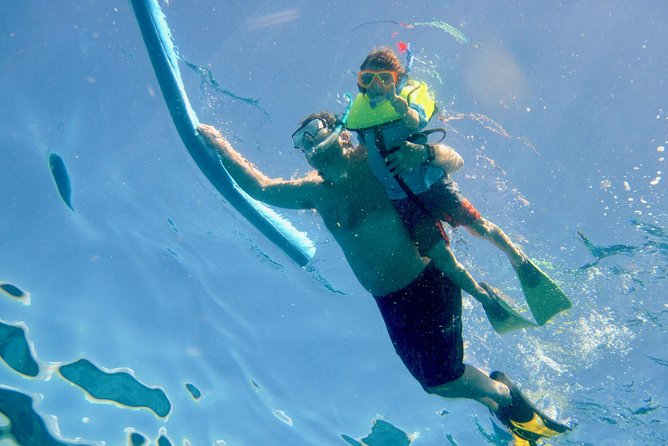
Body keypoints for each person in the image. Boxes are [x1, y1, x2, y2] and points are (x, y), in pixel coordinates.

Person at [196, 113, 570, 444]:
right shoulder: (315, 191)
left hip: (429, 280)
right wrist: (220, 147)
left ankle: (506, 397)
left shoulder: (374, 162)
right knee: (433, 384)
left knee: (444, 377)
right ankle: (496, 399)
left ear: (341, 132)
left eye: (313, 131)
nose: (309, 143)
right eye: (301, 142)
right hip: (388, 302)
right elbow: (261, 188)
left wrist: (423, 154)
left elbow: (452, 161)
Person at [345, 47, 563, 324]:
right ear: (359, 81)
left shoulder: (404, 103)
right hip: (403, 201)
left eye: (384, 79)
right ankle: (486, 300)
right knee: (441, 258)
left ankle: (517, 258)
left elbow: (416, 119)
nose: (376, 86)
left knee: (479, 227)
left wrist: (398, 102)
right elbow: (364, 151)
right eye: (368, 79)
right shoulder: (359, 117)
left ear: (397, 80)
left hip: (433, 184)